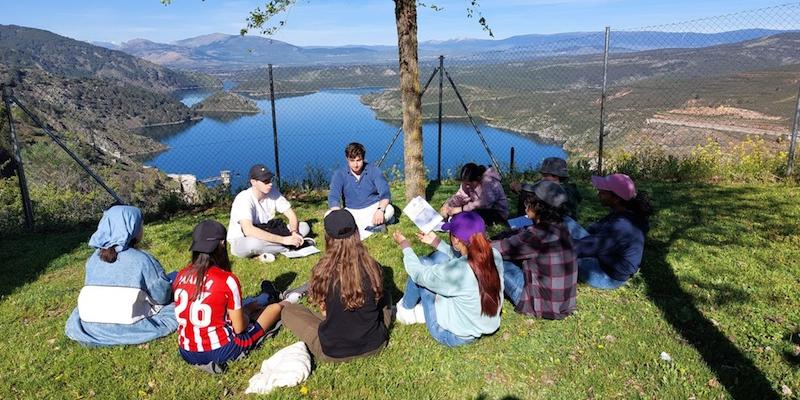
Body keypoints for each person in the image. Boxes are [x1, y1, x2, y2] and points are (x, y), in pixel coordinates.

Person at [173, 220, 295, 372]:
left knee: (247, 309)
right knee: (275, 308)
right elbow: (239, 328)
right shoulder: (226, 280)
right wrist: (246, 314)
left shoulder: (181, 275)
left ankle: (265, 298)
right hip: (221, 350)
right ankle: (290, 300)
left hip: (186, 351)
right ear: (222, 244)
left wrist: (246, 310)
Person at [281, 209, 392, 362]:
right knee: (386, 296)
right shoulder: (373, 267)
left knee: (289, 311)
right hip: (375, 344)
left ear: (328, 238)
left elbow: (325, 313)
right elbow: (379, 298)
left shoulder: (322, 273)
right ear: (356, 233)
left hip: (334, 352)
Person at [65, 205, 177, 347]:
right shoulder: (143, 260)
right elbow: (161, 297)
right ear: (132, 228)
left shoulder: (93, 259)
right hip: (129, 325)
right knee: (175, 298)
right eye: (140, 225)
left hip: (90, 325)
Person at [393, 211, 504, 347]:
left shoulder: (457, 272)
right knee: (441, 258)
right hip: (486, 323)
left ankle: (405, 311)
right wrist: (437, 243)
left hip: (453, 335)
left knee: (422, 263)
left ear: (456, 239)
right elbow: (466, 258)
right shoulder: (494, 255)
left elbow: (417, 273)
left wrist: (405, 245)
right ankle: (419, 309)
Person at [492, 180, 577, 319]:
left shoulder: (536, 235)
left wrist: (483, 243)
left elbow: (499, 249)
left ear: (538, 207)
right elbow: (517, 232)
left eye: (528, 202)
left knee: (495, 259)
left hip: (541, 306)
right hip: (563, 303)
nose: (525, 205)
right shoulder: (561, 226)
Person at [574, 174, 653, 290]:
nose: (598, 194)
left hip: (607, 275)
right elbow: (595, 229)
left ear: (616, 198)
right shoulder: (626, 212)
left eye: (602, 192)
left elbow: (586, 247)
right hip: (605, 257)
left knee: (558, 256)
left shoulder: (620, 226)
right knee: (566, 221)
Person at [228, 164, 311, 263]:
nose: (270, 184)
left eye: (270, 180)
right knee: (254, 244)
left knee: (304, 227)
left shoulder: (272, 192)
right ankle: (292, 246)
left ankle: (272, 249)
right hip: (243, 239)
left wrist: (294, 232)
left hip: (267, 230)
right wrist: (284, 240)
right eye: (265, 181)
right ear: (253, 182)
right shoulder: (243, 198)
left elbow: (291, 215)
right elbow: (248, 230)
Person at [328, 142, 394, 240]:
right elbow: (333, 197)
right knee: (328, 215)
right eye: (352, 161)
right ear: (347, 159)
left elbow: (385, 194)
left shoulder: (373, 170)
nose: (355, 165)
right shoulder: (339, 174)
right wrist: (338, 214)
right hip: (352, 210)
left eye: (358, 160)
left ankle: (364, 228)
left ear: (363, 158)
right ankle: (375, 226)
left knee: (389, 209)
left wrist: (380, 210)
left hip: (373, 207)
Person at [441, 163, 509, 226]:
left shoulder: (488, 181)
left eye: (469, 184)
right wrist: (448, 205)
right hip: (479, 210)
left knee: (469, 215)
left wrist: (461, 209)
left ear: (478, 178)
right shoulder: (469, 182)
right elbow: (460, 196)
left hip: (497, 213)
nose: (467, 186)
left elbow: (484, 204)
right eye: (465, 183)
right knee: (463, 213)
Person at [515, 157, 582, 219]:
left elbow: (534, 189)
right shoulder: (569, 188)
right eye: (543, 175)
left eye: (546, 175)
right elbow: (533, 187)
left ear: (556, 176)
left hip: (556, 221)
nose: (543, 178)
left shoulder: (566, 192)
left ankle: (522, 221)